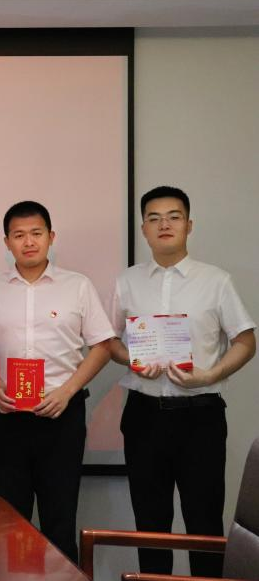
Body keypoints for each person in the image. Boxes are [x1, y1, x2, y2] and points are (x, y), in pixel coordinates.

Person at [109, 186, 255, 577]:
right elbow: (108, 343)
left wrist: (211, 374)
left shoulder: (216, 280)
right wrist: (133, 360)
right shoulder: (126, 282)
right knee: (150, 523)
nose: (164, 225)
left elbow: (246, 341)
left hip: (200, 416)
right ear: (144, 229)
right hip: (144, 416)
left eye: (173, 217)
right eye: (154, 218)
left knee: (203, 521)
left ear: (189, 225)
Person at [0, 201, 113, 561]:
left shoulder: (77, 285)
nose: (28, 242)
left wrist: (67, 391)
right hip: (9, 418)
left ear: (51, 236)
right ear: (7, 242)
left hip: (61, 417)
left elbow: (102, 346)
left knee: (59, 521)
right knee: (8, 522)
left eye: (36, 233)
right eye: (19, 235)